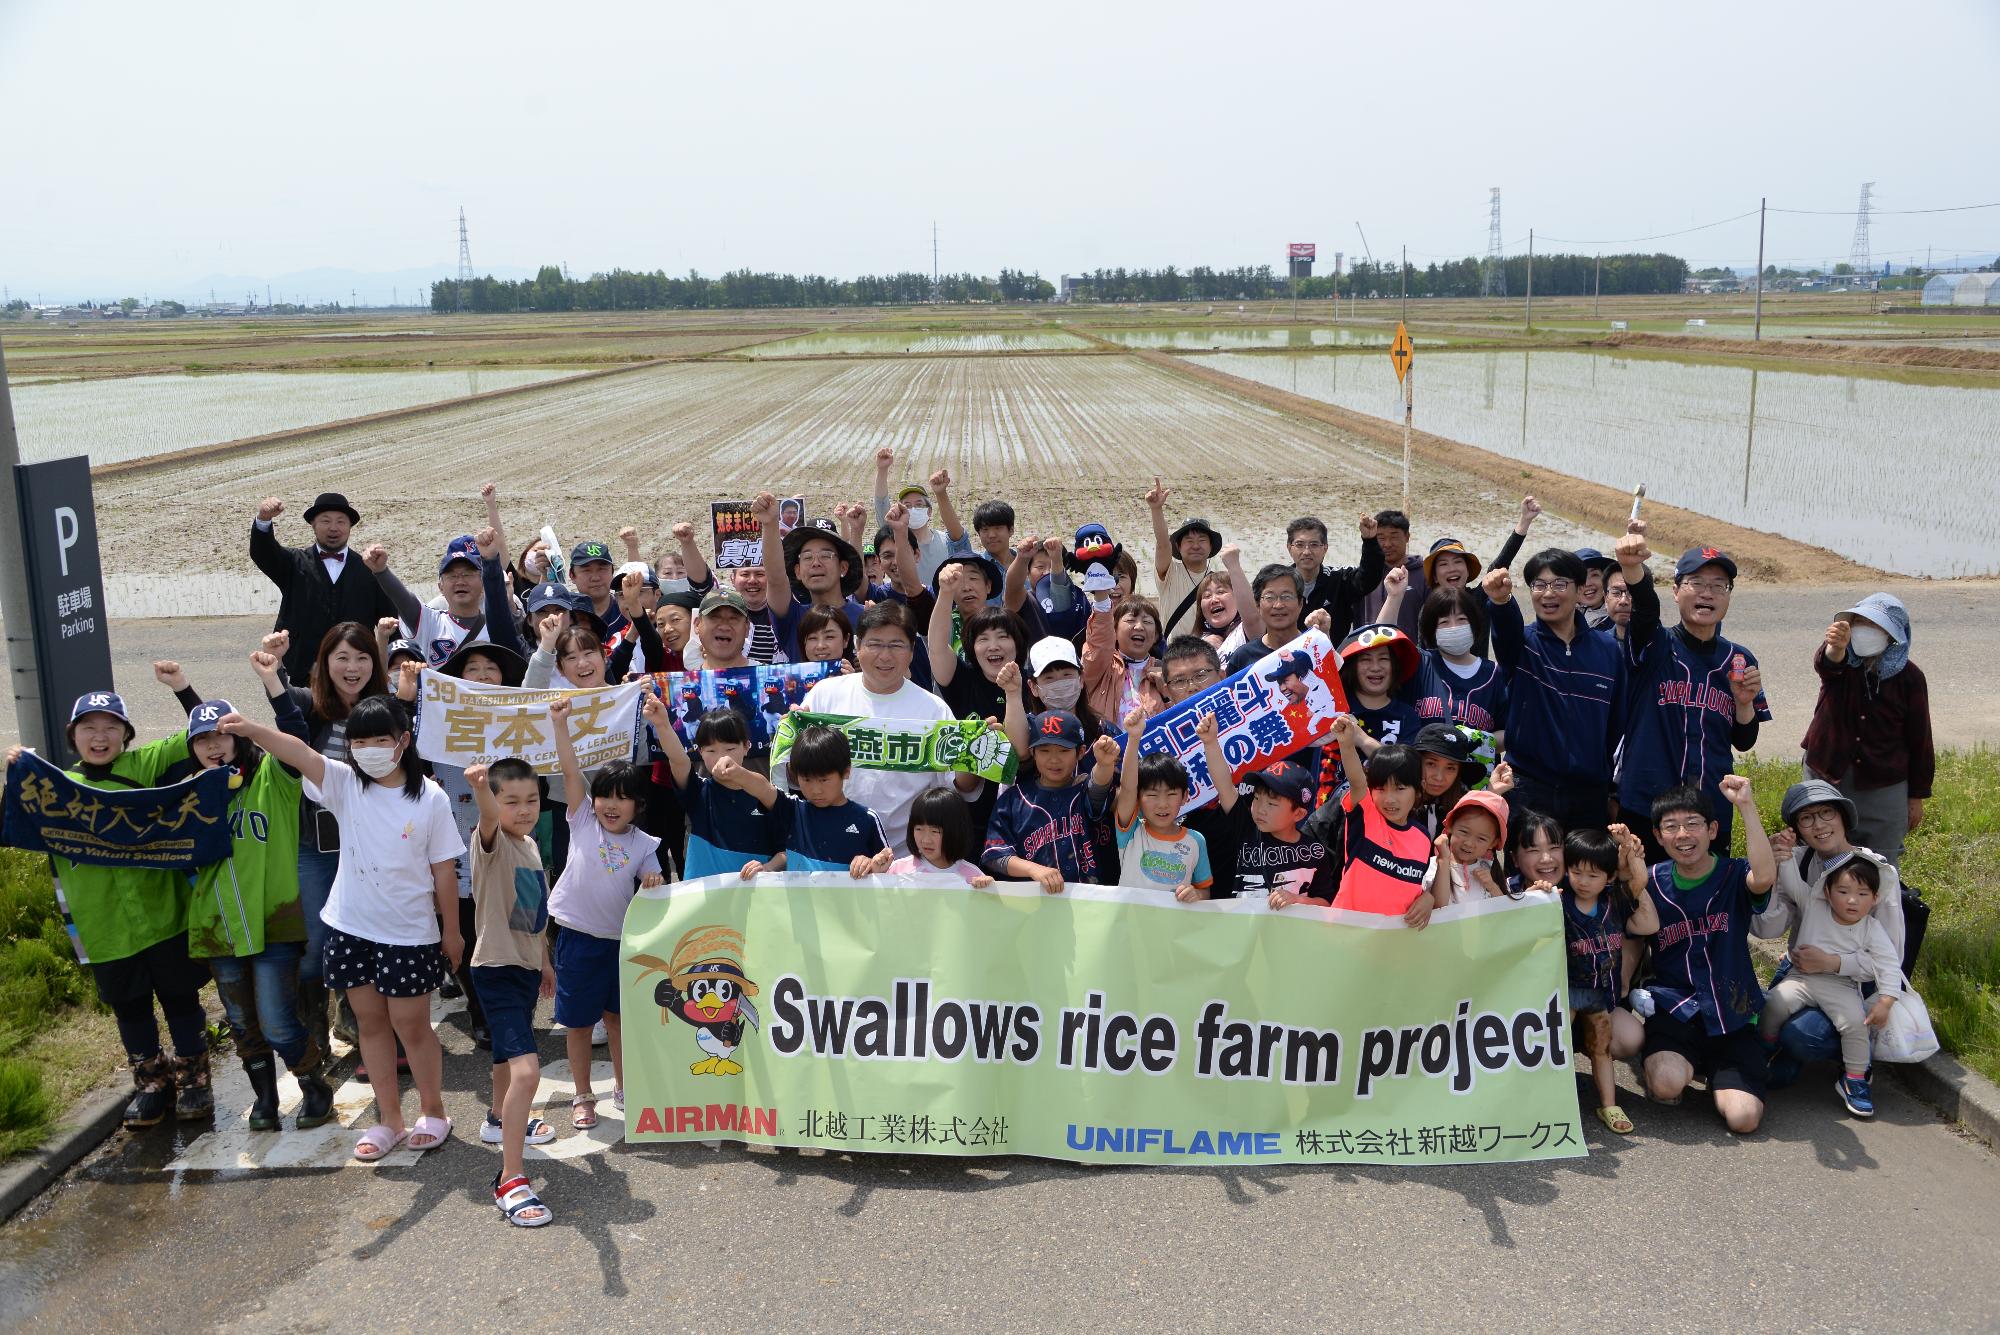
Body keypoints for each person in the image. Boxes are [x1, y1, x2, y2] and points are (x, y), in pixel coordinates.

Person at [222, 697, 462, 1161]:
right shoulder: (345, 783)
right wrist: (253, 730)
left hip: (410, 932)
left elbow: (445, 870)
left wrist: (450, 930)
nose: (369, 749)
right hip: (350, 928)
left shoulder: (430, 796)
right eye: (359, 741)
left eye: (380, 740)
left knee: (411, 1026)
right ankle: (389, 1119)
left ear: (403, 741)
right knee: (370, 1025)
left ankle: (433, 1111)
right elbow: (298, 752)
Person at [9, 692, 212, 1127]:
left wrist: (180, 687)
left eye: (111, 728)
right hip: (103, 924)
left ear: (126, 735)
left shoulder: (143, 767)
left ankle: (194, 1079)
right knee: (130, 1006)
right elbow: (12, 827)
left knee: (180, 997)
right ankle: (152, 1086)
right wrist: (16, 770)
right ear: (72, 736)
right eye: (89, 728)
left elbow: (203, 732)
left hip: (165, 915)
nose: (100, 737)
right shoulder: (55, 788)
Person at [181, 676, 336, 1133]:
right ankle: (265, 1099)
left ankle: (314, 1087)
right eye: (202, 741)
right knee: (242, 1024)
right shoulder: (191, 796)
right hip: (217, 926)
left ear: (239, 736)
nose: (213, 746)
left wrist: (272, 685)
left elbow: (297, 739)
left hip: (275, 925)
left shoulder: (274, 777)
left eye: (222, 735)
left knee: (277, 1022)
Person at [546, 697, 665, 1131]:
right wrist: (561, 727)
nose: (611, 805)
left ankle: (623, 1085)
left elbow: (655, 884)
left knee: (618, 1019)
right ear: (592, 801)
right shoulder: (581, 821)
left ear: (638, 805)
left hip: (620, 944)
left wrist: (653, 883)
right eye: (604, 797)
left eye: (623, 799)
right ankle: (582, 1094)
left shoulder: (644, 844)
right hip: (576, 939)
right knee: (577, 1024)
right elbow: (570, 771)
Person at [1613, 533, 1770, 858]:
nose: (1707, 593)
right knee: (1642, 899)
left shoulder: (1740, 660)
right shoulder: (1655, 644)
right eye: (1696, 583)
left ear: (1728, 596)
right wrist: (1632, 569)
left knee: (1704, 903)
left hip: (1709, 811)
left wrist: (1743, 704)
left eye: (1718, 586)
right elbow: (1644, 610)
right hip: (1648, 807)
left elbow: (1744, 740)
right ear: (1675, 591)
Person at [782, 602, 980, 851]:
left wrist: (975, 751)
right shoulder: (824, 695)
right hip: (828, 850)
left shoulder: (934, 711)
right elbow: (795, 778)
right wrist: (791, 739)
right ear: (857, 645)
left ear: (911, 651)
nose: (885, 656)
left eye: (896, 645)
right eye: (874, 644)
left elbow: (960, 788)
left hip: (903, 859)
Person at [1638, 778, 1776, 1135]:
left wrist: (1746, 805)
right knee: (1666, 1084)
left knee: (1743, 1119)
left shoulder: (1733, 874)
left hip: (1732, 1011)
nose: (1683, 834)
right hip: (1676, 1009)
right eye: (1671, 827)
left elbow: (1763, 877)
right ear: (1658, 836)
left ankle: (1722, 1073)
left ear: (1712, 829)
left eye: (1693, 824)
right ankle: (1678, 1063)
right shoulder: (1650, 882)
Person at [1753, 779, 1909, 1086]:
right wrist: (1769, 870)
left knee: (1801, 1035)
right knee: (1759, 1013)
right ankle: (1779, 1054)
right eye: (1806, 818)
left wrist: (1833, 963)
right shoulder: (1798, 861)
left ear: (1843, 817)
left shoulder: (1874, 871)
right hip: (1800, 972)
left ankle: (1851, 1060)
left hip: (1851, 983)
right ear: (1796, 828)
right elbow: (1765, 927)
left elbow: (1891, 958)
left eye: (1827, 813)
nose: (1819, 825)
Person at [462, 758, 558, 1226]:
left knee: (504, 1059)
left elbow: (532, 913)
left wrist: (544, 963)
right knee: (526, 1072)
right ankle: (510, 1179)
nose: (523, 810)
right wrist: (482, 789)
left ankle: (497, 1120)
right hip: (495, 970)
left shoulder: (531, 846)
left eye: (532, 800)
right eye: (511, 802)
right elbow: (485, 820)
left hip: (522, 969)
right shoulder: (493, 845)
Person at [1483, 556, 1625, 835]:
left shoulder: (1607, 650)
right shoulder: (1523, 645)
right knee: (1528, 877)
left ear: (1580, 588)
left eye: (1560, 583)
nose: (1548, 593)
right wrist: (1501, 601)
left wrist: (1605, 783)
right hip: (1529, 789)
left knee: (1586, 877)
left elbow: (1617, 722)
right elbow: (1504, 630)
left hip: (1589, 795)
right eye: (1539, 585)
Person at [1758, 855, 1903, 1118]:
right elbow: (1792, 884)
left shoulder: (1871, 928)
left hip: (1841, 986)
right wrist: (1787, 854)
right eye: (1843, 891)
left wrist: (1886, 1001)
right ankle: (1764, 1046)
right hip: (1802, 979)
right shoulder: (1814, 905)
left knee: (1855, 1023)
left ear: (1875, 898)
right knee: (1775, 1001)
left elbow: (1888, 964)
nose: (1852, 900)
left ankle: (1855, 1078)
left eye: (1862, 893)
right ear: (1827, 891)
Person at [1802, 593, 1933, 867]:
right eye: (1859, 622)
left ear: (1893, 634)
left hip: (1883, 783)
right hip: (1827, 773)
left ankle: (1878, 909)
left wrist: (1916, 796)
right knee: (1819, 854)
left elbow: (1920, 740)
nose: (1865, 630)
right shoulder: (1842, 665)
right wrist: (1835, 647)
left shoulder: (1910, 678)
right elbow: (1827, 663)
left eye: (1874, 625)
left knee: (1881, 862)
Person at [1547, 825, 1657, 1135]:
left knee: (1602, 1048)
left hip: (1598, 995)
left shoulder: (1615, 900)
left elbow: (1640, 880)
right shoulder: (1558, 901)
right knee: (1556, 1044)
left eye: (1593, 875)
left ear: (1609, 877)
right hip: (1564, 991)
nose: (1583, 881)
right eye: (1576, 871)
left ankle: (1608, 1103)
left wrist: (1628, 848)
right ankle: (1552, 1099)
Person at [249, 492, 399, 683]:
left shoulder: (369, 568)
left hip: (355, 674)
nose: (333, 528)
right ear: (313, 524)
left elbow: (392, 623)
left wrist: (396, 668)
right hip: (302, 672)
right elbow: (264, 553)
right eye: (326, 521)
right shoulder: (294, 563)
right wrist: (263, 519)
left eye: (341, 522)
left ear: (350, 526)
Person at [1193, 715, 1335, 908]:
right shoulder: (1246, 827)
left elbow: (1325, 903)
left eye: (1272, 804)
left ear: (1299, 814)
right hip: (1242, 933)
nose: (1260, 809)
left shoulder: (1315, 852)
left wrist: (1297, 900)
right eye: (1257, 799)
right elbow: (1224, 785)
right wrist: (1210, 742)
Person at [982, 710, 1115, 892]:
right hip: (1034, 907)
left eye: (1063, 750)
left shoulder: (1084, 790)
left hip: (1088, 902)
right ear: (1032, 752)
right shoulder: (1013, 799)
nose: (1054, 759)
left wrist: (1105, 764)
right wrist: (1033, 869)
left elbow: (1099, 790)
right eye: (1044, 750)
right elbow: (995, 855)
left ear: (1081, 752)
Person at [738, 726, 891, 877]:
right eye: (806, 779)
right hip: (801, 902)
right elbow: (763, 788)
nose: (815, 790)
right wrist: (737, 773)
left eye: (824, 780)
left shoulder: (867, 818)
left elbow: (887, 868)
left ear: (846, 771)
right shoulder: (793, 810)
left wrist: (870, 864)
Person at [1326, 717, 1433, 927]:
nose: (1389, 799)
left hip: (1391, 946)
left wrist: (1428, 898)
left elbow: (1414, 890)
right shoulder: (1367, 814)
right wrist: (1346, 743)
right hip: (1344, 935)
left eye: (1400, 789)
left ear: (1418, 790)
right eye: (1380, 789)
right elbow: (1357, 781)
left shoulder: (1423, 837)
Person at [1111, 706, 1211, 901]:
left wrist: (1196, 894)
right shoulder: (1130, 833)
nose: (1162, 804)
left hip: (1175, 930)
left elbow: (1205, 893)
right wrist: (1133, 738)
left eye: (1171, 794)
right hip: (1130, 928)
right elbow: (1128, 787)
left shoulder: (1196, 841)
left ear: (1185, 797)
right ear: (1138, 799)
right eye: (1152, 795)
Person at [1288, 513, 1388, 641]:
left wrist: (1370, 541)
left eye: (1314, 545)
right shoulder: (1277, 583)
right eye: (1299, 545)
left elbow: (1368, 578)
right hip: (1286, 657)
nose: (1306, 552)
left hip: (1334, 657)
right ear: (1289, 548)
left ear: (1325, 548)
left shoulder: (1339, 579)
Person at [1146, 476, 1221, 638]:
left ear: (1210, 546)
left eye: (1201, 540)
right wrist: (1156, 509)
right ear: (1178, 547)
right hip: (1174, 655)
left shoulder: (1218, 581)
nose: (1196, 545)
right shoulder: (1170, 573)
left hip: (1206, 654)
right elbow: (1162, 543)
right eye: (1189, 541)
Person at [872, 451, 955, 584]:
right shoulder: (897, 538)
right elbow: (881, 503)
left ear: (929, 512)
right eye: (907, 505)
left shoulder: (945, 541)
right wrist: (882, 469)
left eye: (918, 505)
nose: (913, 510)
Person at [890, 787, 995, 886]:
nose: (926, 840)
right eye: (919, 829)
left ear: (956, 831)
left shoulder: (973, 876)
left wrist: (989, 888)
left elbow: (990, 903)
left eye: (935, 831)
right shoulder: (898, 870)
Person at [1083, 595, 1163, 724]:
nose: (1139, 627)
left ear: (1156, 636)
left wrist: (1166, 692)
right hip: (1108, 743)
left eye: (1147, 622)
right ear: (1113, 631)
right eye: (1131, 620)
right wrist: (1101, 597)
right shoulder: (1102, 667)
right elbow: (1099, 640)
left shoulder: (1164, 670)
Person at [1424, 790, 1509, 907]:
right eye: (1464, 832)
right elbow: (1439, 907)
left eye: (1481, 839)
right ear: (1450, 826)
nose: (1469, 843)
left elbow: (1505, 910)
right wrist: (1443, 861)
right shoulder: (1433, 865)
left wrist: (1492, 886)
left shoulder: (1490, 870)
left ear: (1493, 843)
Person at [1356, 509, 1424, 637]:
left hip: (1411, 650)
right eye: (1381, 538)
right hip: (1369, 648)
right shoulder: (1365, 575)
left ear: (1407, 537)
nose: (1387, 544)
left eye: (1394, 537)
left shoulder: (1423, 574)